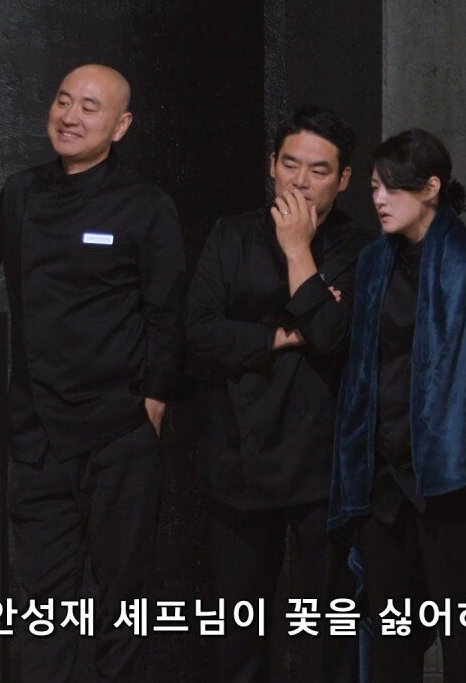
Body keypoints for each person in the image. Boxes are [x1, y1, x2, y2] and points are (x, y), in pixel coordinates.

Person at [0, 64, 186, 683]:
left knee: (122, 599)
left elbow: (168, 315)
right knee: (43, 604)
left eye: (89, 107)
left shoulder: (146, 207)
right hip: (39, 436)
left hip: (117, 434)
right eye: (63, 101)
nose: (70, 116)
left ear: (120, 125)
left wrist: (153, 405)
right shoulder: (21, 193)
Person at [183, 105, 369, 682]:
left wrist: (296, 250)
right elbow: (200, 330)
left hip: (323, 462)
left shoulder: (360, 247)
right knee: (239, 624)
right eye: (290, 164)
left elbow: (333, 336)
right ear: (271, 165)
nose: (300, 181)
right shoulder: (232, 234)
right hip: (238, 456)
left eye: (319, 170)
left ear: (343, 179)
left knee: (331, 624)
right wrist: (285, 335)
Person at [329, 128, 466, 682]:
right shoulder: (373, 262)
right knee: (390, 631)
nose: (380, 200)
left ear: (431, 188)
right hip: (384, 476)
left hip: (453, 476)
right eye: (374, 188)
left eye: (393, 188)